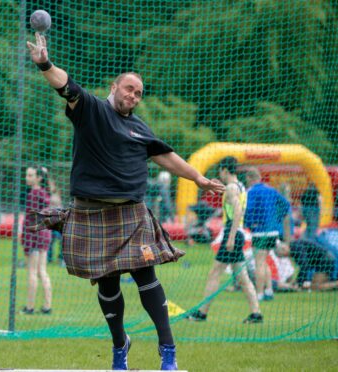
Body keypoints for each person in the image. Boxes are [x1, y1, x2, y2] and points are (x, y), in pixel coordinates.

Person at [26, 32, 224, 370]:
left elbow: (167, 156)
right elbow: (65, 86)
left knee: (147, 278)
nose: (133, 95)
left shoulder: (140, 129)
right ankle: (120, 346)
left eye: (139, 93)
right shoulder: (91, 110)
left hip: (131, 215)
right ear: (115, 87)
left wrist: (199, 178)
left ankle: (168, 352)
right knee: (108, 284)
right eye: (129, 88)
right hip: (92, 213)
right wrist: (45, 63)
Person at [187, 157, 262, 324]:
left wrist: (231, 237)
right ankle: (256, 314)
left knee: (215, 273)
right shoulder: (239, 186)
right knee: (242, 278)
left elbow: (237, 211)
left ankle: (202, 313)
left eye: (220, 171)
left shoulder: (231, 188)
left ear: (225, 170)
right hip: (238, 232)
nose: (219, 174)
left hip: (232, 232)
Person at [244, 167, 292, 302]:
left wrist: (249, 223)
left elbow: (248, 210)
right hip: (273, 232)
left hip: (259, 232)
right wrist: (277, 219)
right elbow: (286, 205)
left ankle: (259, 293)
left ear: (249, 178)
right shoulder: (271, 190)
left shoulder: (251, 192)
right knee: (264, 261)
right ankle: (269, 290)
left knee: (259, 262)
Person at [21, 165, 53, 314]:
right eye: (27, 175)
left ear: (38, 178)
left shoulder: (34, 194)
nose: (27, 178)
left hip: (35, 235)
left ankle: (30, 307)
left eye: (30, 175)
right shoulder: (45, 193)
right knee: (42, 271)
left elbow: (31, 218)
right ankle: (47, 306)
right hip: (45, 234)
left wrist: (25, 237)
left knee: (33, 272)